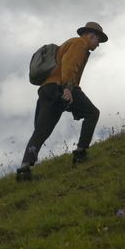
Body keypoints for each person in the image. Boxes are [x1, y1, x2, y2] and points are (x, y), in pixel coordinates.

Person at [16, 21, 108, 180]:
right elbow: (69, 64)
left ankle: (24, 170)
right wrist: (68, 87)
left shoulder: (69, 43)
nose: (98, 45)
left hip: (46, 89)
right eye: (97, 41)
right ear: (91, 36)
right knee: (92, 113)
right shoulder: (79, 43)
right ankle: (80, 153)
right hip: (61, 86)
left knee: (41, 130)